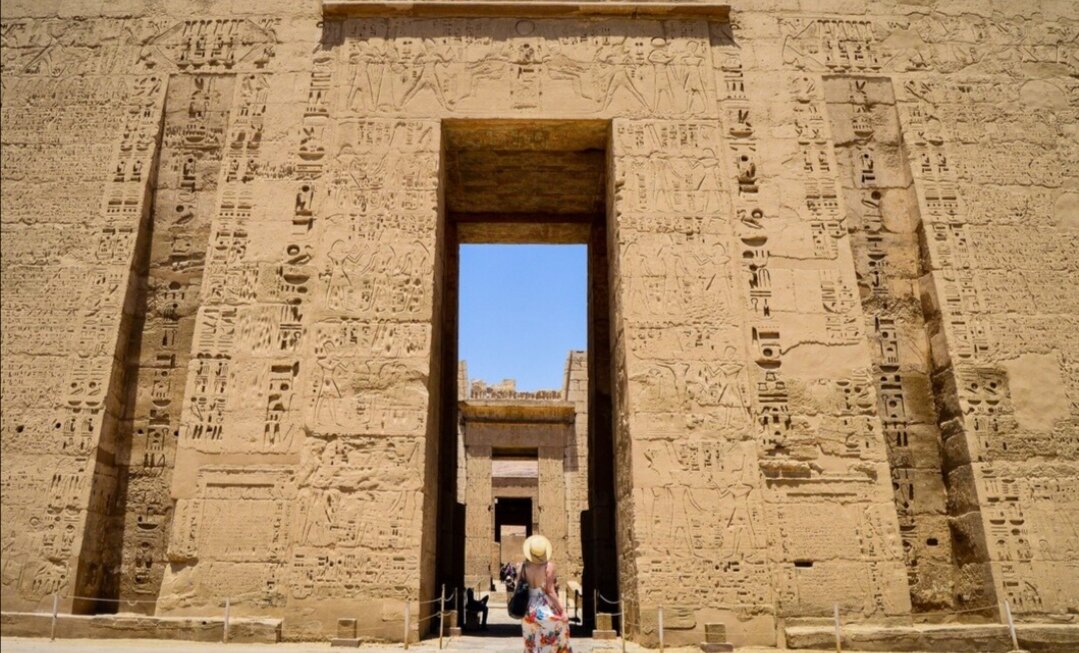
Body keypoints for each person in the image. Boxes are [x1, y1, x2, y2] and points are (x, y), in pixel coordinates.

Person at [518, 534, 571, 653]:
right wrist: (562, 611)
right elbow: (550, 591)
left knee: (531, 644)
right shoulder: (549, 566)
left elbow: (521, 587)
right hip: (543, 607)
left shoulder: (522, 567)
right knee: (558, 633)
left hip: (527, 609)